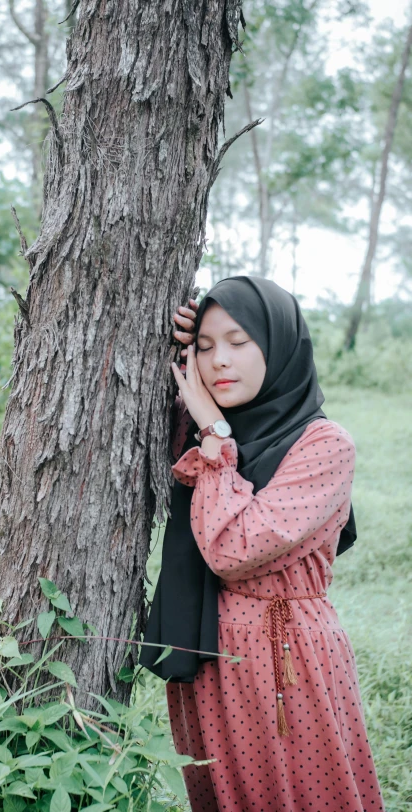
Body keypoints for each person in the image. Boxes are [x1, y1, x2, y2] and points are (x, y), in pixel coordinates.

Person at [140, 277, 385, 811]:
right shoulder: (204, 430)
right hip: (203, 656)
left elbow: (233, 548)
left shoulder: (324, 444)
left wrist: (214, 436)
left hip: (285, 661)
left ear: (277, 344)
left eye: (239, 341)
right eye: (204, 348)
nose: (218, 362)